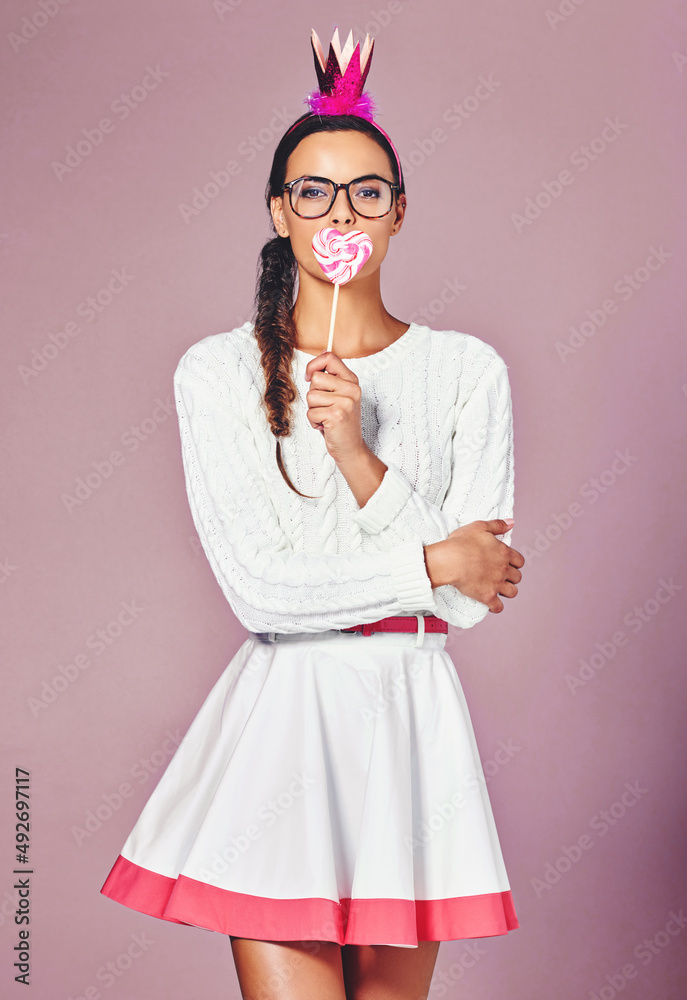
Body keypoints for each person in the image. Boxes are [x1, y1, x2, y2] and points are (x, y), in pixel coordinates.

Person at [100, 28, 525, 1000]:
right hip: (286, 727)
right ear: (280, 214)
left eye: (368, 191)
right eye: (314, 191)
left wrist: (358, 456)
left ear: (401, 212)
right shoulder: (218, 372)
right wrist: (431, 563)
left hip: (413, 724)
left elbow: (469, 604)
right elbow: (262, 589)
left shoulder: (468, 371)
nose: (344, 211)